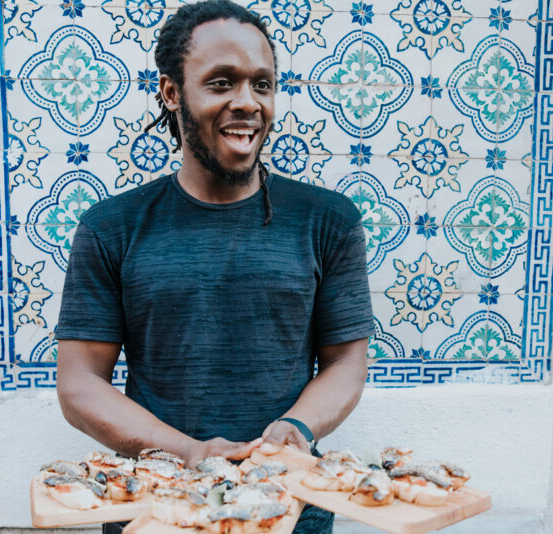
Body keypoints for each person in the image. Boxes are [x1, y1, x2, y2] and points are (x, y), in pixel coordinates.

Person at [53, 1, 375, 532]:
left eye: (262, 84)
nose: (247, 103)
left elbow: (346, 362)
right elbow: (79, 385)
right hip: (159, 512)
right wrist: (189, 452)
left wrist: (295, 427)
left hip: (290, 512)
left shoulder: (329, 221)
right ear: (172, 93)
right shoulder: (111, 227)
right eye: (222, 83)